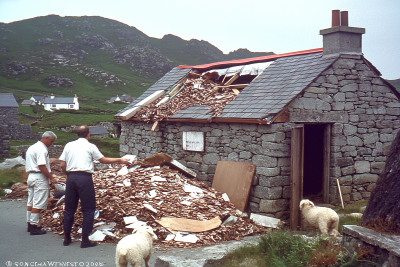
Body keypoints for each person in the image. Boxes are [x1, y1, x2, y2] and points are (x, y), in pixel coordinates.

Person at [59, 125, 129, 248]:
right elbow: (103, 160)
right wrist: (120, 160)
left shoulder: (68, 145)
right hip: (84, 178)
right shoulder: (90, 146)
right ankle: (85, 240)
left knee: (69, 208)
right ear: (88, 134)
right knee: (88, 209)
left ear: (78, 134)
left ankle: (67, 238)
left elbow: (62, 165)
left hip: (71, 178)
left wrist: (69, 174)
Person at [25, 131, 58, 235]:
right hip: (39, 177)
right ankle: (34, 226)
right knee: (38, 202)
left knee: (30, 201)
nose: (51, 144)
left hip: (31, 176)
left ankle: (29, 224)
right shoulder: (42, 149)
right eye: (51, 141)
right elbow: (41, 165)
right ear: (46, 138)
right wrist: (51, 177)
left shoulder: (32, 147)